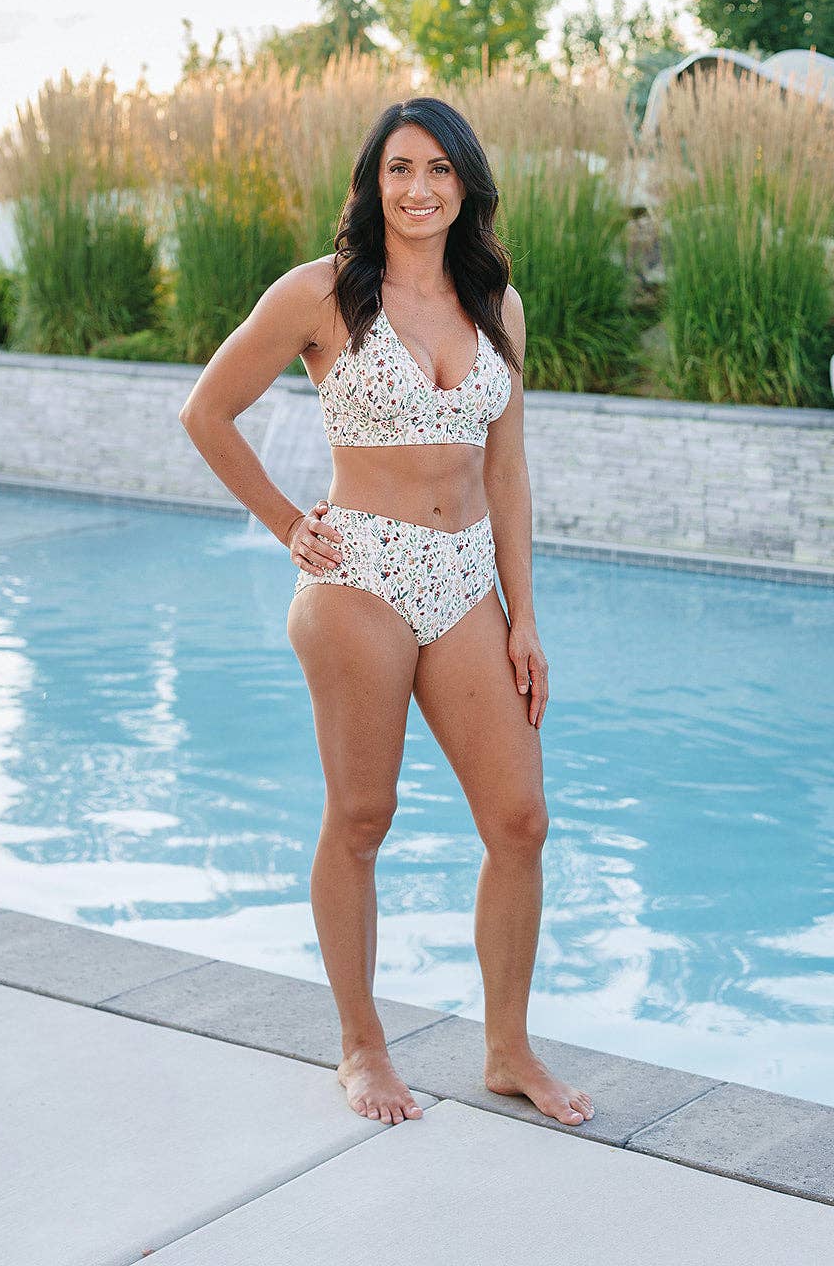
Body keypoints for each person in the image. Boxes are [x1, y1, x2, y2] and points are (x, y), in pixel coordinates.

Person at [178, 96, 594, 1131]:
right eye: (398, 168)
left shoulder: (495, 303)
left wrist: (522, 616)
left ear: (466, 184)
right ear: (370, 183)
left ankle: (505, 1049)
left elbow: (505, 470)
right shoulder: (320, 294)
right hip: (358, 576)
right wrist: (285, 523)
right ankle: (361, 1046)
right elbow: (206, 410)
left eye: (440, 169)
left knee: (518, 819)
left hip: (463, 581)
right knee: (362, 816)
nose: (419, 188)